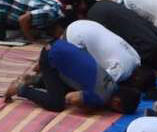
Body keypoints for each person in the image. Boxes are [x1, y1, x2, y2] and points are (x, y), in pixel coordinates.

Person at [7, 40, 141, 113]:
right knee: (56, 103)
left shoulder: (113, 83)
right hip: (51, 58)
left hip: (59, 46)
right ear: (117, 103)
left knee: (72, 85)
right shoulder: (101, 97)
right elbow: (70, 98)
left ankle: (35, 80)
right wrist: (89, 106)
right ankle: (21, 89)